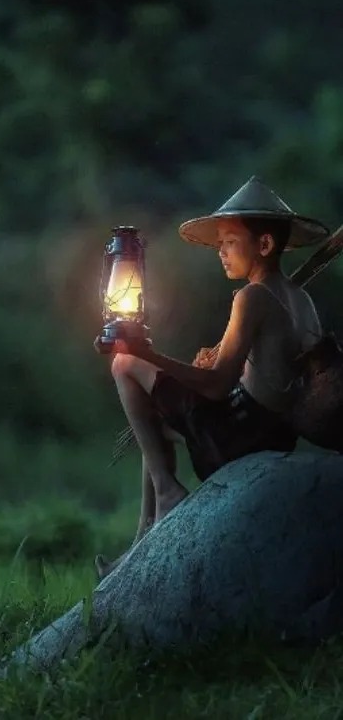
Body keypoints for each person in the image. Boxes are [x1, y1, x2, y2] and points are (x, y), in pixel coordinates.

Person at [94, 175, 329, 578]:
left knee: (122, 364)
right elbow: (268, 373)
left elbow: (219, 386)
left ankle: (169, 493)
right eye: (219, 243)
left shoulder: (252, 297)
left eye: (230, 242)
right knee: (153, 436)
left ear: (266, 245)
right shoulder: (301, 299)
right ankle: (137, 549)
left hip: (239, 434)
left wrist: (148, 354)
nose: (221, 252)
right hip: (273, 431)